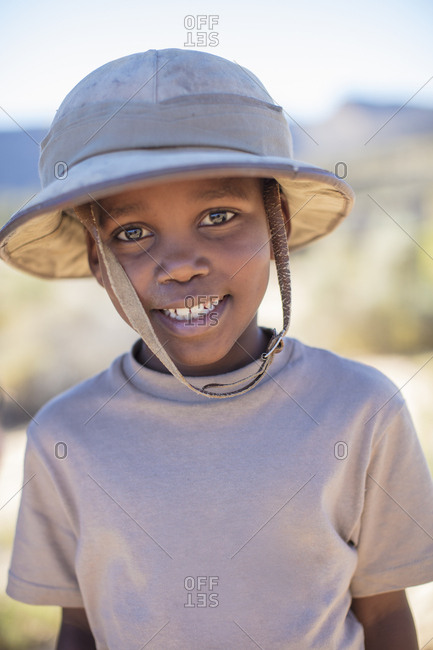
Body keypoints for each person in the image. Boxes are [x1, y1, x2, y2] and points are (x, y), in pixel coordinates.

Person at [1, 49, 432, 650]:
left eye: (219, 215)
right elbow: (79, 628)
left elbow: (385, 616)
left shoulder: (362, 411)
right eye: (132, 233)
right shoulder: (64, 437)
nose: (179, 266)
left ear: (277, 223)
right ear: (98, 262)